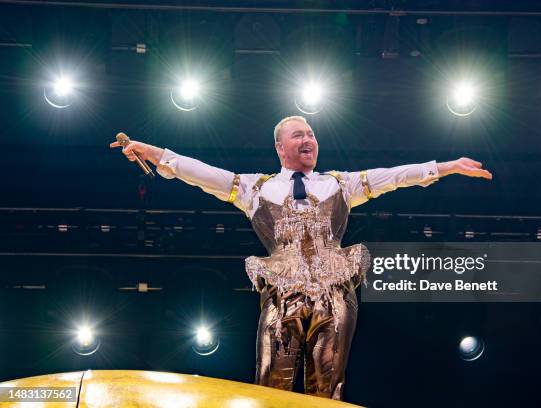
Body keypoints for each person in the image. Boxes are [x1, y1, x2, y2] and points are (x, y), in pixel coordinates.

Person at [110, 115, 492, 400]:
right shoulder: (254, 189)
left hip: (334, 294)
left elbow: (394, 176)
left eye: (311, 134)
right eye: (299, 134)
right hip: (283, 293)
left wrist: (446, 167)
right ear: (280, 147)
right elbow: (201, 173)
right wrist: (155, 153)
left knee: (327, 386)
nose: (308, 139)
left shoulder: (341, 184)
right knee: (271, 382)